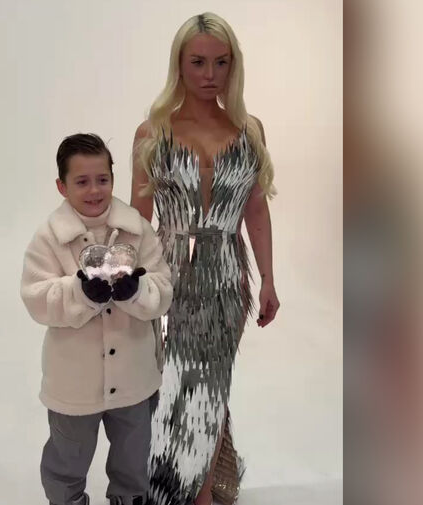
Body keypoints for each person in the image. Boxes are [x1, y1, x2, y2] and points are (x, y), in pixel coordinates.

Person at [128, 13, 280, 505]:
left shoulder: (249, 130)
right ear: (179, 64)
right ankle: (170, 485)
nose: (210, 74)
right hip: (166, 274)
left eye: (221, 62)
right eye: (197, 62)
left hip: (226, 276)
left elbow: (256, 209)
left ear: (234, 65)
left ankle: (201, 495)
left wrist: (269, 280)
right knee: (170, 383)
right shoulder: (153, 132)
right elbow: (138, 217)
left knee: (212, 384)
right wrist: (127, 282)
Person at [21, 133, 174, 505]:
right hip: (74, 382)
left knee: (133, 456)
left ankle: (130, 499)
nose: (94, 190)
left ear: (113, 179)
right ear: (62, 186)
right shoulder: (49, 238)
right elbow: (35, 298)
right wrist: (79, 293)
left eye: (102, 179)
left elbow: (163, 289)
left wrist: (137, 291)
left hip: (134, 377)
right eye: (82, 181)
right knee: (67, 458)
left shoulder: (138, 230)